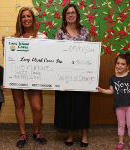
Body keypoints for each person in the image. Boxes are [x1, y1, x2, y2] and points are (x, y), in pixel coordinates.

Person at [2, 7, 47, 148]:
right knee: (19, 105)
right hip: (18, 77)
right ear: (20, 20)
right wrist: (6, 47)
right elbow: (9, 60)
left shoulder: (42, 37)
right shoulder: (15, 39)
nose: (26, 19)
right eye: (23, 17)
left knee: (37, 108)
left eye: (28, 16)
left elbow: (47, 59)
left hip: (35, 78)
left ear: (33, 18)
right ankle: (23, 134)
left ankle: (36, 133)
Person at [54, 4, 90, 147]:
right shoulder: (60, 33)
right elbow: (56, 55)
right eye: (68, 13)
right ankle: (69, 135)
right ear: (64, 16)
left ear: (77, 15)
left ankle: (84, 135)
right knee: (67, 105)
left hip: (81, 76)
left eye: (73, 12)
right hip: (65, 76)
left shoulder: (85, 31)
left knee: (82, 105)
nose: (70, 15)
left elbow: (89, 54)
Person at [96, 52, 130, 150]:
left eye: (122, 64)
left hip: (129, 105)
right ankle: (120, 143)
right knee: (121, 124)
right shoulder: (113, 78)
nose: (119, 66)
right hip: (119, 105)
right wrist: (102, 90)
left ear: (128, 66)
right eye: (118, 63)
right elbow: (111, 91)